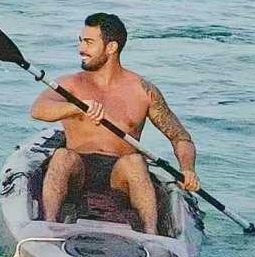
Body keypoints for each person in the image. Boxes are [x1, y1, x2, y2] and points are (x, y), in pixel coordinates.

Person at [29, 12, 200, 234]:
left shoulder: (143, 91)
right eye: (81, 41)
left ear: (111, 48)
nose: (81, 48)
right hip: (78, 170)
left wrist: (188, 170)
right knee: (62, 157)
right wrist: (77, 107)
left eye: (89, 42)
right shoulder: (69, 84)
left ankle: (152, 237)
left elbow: (180, 137)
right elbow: (38, 110)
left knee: (136, 162)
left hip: (120, 174)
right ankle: (48, 227)